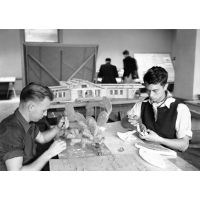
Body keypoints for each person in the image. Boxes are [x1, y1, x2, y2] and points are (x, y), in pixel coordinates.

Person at [121, 66, 192, 152]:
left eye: (155, 91)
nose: (150, 95)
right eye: (148, 90)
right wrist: (137, 125)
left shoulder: (180, 108)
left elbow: (184, 145)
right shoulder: (142, 104)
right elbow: (123, 122)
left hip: (169, 157)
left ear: (165, 86)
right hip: (146, 150)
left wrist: (158, 139)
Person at [0, 82, 68, 171]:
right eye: (43, 110)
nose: (45, 114)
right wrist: (49, 153)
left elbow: (42, 138)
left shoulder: (27, 122)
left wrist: (57, 127)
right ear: (31, 107)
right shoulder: (11, 131)